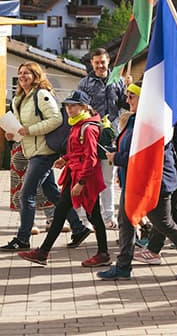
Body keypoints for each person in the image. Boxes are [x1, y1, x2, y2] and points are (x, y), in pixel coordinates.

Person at [97, 82, 177, 280]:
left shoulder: (153, 123)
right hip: (134, 180)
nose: (127, 99)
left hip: (155, 181)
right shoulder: (135, 119)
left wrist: (116, 158)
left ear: (145, 99)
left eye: (132, 96)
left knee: (164, 223)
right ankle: (123, 266)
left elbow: (144, 156)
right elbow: (128, 148)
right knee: (126, 221)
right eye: (127, 95)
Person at [1, 63, 89, 252]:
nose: (23, 76)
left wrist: (29, 130)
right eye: (20, 73)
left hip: (44, 152)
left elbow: (56, 119)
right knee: (52, 193)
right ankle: (79, 228)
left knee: (27, 194)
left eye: (27, 73)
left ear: (35, 75)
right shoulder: (21, 98)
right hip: (33, 150)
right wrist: (14, 134)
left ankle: (23, 239)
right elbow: (22, 126)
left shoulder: (41, 94)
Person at [18, 90, 109, 267]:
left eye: (73, 105)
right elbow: (78, 151)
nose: (69, 109)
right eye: (67, 106)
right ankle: (43, 252)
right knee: (64, 212)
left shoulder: (87, 127)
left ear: (83, 107)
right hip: (75, 175)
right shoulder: (78, 124)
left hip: (84, 178)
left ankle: (103, 254)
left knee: (93, 215)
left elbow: (91, 158)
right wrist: (65, 159)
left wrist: (81, 183)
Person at [77, 48, 128, 229]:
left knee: (108, 180)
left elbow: (126, 104)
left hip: (111, 137)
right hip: (91, 136)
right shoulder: (84, 83)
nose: (100, 65)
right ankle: (87, 217)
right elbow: (78, 107)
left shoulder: (118, 81)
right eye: (96, 62)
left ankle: (109, 216)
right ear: (92, 63)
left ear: (108, 62)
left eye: (103, 62)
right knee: (89, 179)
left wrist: (127, 90)